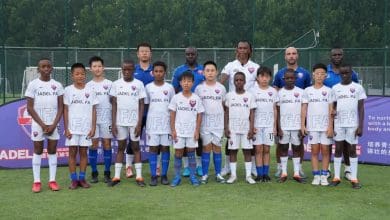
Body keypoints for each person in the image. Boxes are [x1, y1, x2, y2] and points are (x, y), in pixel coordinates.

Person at [220, 40, 260, 177]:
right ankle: (227, 167)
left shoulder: (255, 67)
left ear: (250, 50)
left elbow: (262, 84)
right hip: (233, 107)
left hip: (250, 106)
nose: (242, 50)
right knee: (230, 137)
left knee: (250, 137)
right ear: (236, 50)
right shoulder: (230, 66)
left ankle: (253, 167)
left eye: (245, 48)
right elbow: (221, 82)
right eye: (240, 48)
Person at [25, 58, 64, 192]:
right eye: (43, 67)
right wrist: (42, 124)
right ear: (38, 69)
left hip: (53, 124)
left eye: (48, 66)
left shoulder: (57, 85)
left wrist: (53, 124)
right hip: (38, 124)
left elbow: (61, 108)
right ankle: (37, 182)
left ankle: (52, 181)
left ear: (52, 68)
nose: (46, 69)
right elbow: (29, 108)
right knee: (38, 150)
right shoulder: (33, 84)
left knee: (52, 151)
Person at [272, 47, 311, 178]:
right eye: (288, 54)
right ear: (285, 56)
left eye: (294, 53)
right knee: (281, 144)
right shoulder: (279, 74)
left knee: (299, 143)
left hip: (300, 115)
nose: (291, 56)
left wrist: (304, 120)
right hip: (284, 118)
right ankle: (280, 168)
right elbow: (276, 93)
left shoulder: (305, 73)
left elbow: (307, 94)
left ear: (297, 56)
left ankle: (298, 168)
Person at [324, 46, 359, 181]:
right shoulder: (325, 72)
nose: (337, 57)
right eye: (335, 55)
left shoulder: (351, 73)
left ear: (342, 56)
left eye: (339, 55)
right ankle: (327, 169)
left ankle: (348, 169)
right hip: (327, 111)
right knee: (327, 140)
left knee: (345, 143)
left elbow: (354, 91)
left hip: (345, 114)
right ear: (330, 56)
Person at [109, 60, 146, 187]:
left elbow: (142, 104)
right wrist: (113, 123)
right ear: (121, 69)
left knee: (135, 147)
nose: (126, 71)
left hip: (134, 122)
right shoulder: (116, 84)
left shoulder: (139, 84)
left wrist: (139, 123)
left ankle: (139, 177)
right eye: (124, 69)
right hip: (120, 121)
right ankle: (116, 177)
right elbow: (113, 104)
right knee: (120, 147)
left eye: (129, 69)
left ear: (133, 70)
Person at [329, 64, 366, 189]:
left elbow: (361, 109)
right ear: (339, 74)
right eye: (342, 73)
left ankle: (354, 178)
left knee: (352, 150)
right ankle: (336, 177)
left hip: (352, 124)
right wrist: (332, 123)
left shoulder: (358, 87)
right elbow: (332, 107)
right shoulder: (335, 88)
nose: (345, 75)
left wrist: (360, 126)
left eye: (347, 73)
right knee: (338, 149)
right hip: (339, 124)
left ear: (351, 73)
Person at [171, 47, 205, 177]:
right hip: (183, 109)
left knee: (199, 138)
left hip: (200, 108)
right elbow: (174, 89)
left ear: (197, 55)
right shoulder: (179, 70)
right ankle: (186, 167)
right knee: (184, 137)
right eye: (188, 54)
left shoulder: (203, 70)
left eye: (193, 54)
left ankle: (199, 165)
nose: (190, 56)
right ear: (185, 55)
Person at [64, 63, 98, 190]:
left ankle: (82, 178)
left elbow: (94, 110)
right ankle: (74, 180)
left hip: (86, 128)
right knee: (72, 153)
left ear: (85, 74)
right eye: (77, 74)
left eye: (82, 74)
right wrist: (66, 128)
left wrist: (93, 127)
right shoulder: (67, 90)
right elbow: (65, 110)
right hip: (72, 128)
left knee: (84, 153)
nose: (80, 76)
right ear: (72, 75)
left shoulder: (91, 90)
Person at [125, 42, 155, 178]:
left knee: (155, 140)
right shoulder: (132, 70)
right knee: (133, 140)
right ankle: (128, 167)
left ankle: (157, 166)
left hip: (152, 112)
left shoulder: (156, 70)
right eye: (142, 51)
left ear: (150, 53)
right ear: (137, 54)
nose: (144, 53)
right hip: (135, 112)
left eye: (147, 51)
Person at [301, 63, 333, 186]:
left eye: (322, 74)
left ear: (326, 76)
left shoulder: (329, 91)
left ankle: (324, 175)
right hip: (312, 126)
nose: (319, 76)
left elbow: (331, 111)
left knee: (325, 151)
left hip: (325, 127)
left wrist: (330, 126)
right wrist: (303, 125)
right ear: (313, 75)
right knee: (314, 151)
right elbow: (304, 108)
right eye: (317, 74)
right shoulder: (307, 91)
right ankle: (316, 175)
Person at [195, 61, 226, 184]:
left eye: (212, 70)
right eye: (207, 70)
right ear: (203, 72)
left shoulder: (221, 88)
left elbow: (224, 105)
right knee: (206, 148)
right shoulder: (199, 88)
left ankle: (218, 174)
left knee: (217, 148)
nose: (210, 73)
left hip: (218, 123)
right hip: (205, 123)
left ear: (217, 72)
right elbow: (196, 108)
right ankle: (205, 174)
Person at [145, 61, 175, 186]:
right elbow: (146, 106)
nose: (158, 73)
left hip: (166, 124)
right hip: (152, 124)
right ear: (152, 73)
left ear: (165, 73)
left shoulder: (169, 88)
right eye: (156, 71)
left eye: (161, 71)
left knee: (165, 148)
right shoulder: (148, 87)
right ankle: (153, 176)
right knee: (153, 148)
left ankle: (164, 175)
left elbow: (173, 107)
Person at [224, 72, 256, 184]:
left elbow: (252, 114)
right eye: (236, 80)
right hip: (233, 129)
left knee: (247, 151)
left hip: (246, 129)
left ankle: (248, 176)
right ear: (233, 82)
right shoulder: (229, 96)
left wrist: (251, 129)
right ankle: (233, 175)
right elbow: (226, 113)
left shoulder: (250, 96)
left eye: (241, 80)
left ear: (245, 81)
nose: (239, 82)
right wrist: (225, 127)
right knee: (233, 151)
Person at [86, 56, 113, 184]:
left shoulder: (110, 84)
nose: (97, 69)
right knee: (93, 145)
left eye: (99, 66)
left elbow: (114, 103)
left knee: (107, 144)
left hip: (107, 119)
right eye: (94, 66)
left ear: (103, 67)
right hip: (93, 120)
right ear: (90, 69)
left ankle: (107, 172)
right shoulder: (87, 86)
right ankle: (94, 172)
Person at [276, 69, 306, 183]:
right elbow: (277, 112)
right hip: (283, 126)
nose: (289, 80)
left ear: (295, 79)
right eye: (287, 78)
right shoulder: (280, 93)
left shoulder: (301, 92)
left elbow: (304, 111)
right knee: (283, 148)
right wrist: (278, 128)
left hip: (297, 126)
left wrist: (302, 127)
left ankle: (296, 173)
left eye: (292, 78)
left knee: (296, 148)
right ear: (284, 79)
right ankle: (284, 173)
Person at [249, 66, 278, 182]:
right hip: (257, 126)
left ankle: (266, 174)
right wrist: (251, 126)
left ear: (270, 78)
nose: (264, 79)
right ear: (258, 78)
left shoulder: (273, 91)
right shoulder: (252, 91)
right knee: (258, 149)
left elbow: (275, 109)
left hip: (270, 127)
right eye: (262, 76)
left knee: (267, 149)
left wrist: (275, 126)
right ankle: (259, 174)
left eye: (267, 76)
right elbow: (250, 110)